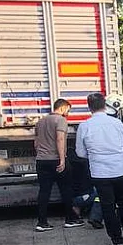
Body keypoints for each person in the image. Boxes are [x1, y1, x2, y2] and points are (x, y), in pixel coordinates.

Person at [76, 93, 123, 245]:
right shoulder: (117, 123)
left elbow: (80, 153)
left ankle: (117, 241)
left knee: (108, 206)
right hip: (121, 169)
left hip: (100, 173)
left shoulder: (84, 126)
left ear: (89, 108)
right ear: (104, 105)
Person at [33, 99, 83, 231]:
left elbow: (36, 143)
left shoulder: (40, 121)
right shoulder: (60, 120)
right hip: (56, 160)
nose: (68, 112)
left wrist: (41, 155)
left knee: (44, 191)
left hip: (41, 161)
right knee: (66, 189)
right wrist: (62, 160)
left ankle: (42, 222)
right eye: (68, 109)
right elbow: (60, 139)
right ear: (63, 108)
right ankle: (70, 219)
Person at [68, 147, 103, 228]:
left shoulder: (67, 166)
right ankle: (95, 217)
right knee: (101, 192)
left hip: (71, 197)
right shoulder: (85, 165)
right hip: (83, 196)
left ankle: (77, 208)